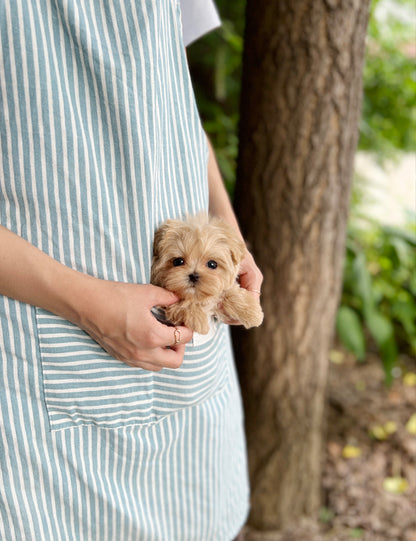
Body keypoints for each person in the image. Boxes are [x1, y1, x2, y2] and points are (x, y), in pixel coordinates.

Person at [0, 1, 262, 539]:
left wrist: (231, 244)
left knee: (196, 513)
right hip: (44, 331)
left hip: (187, 355)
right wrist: (86, 302)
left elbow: (172, 94)